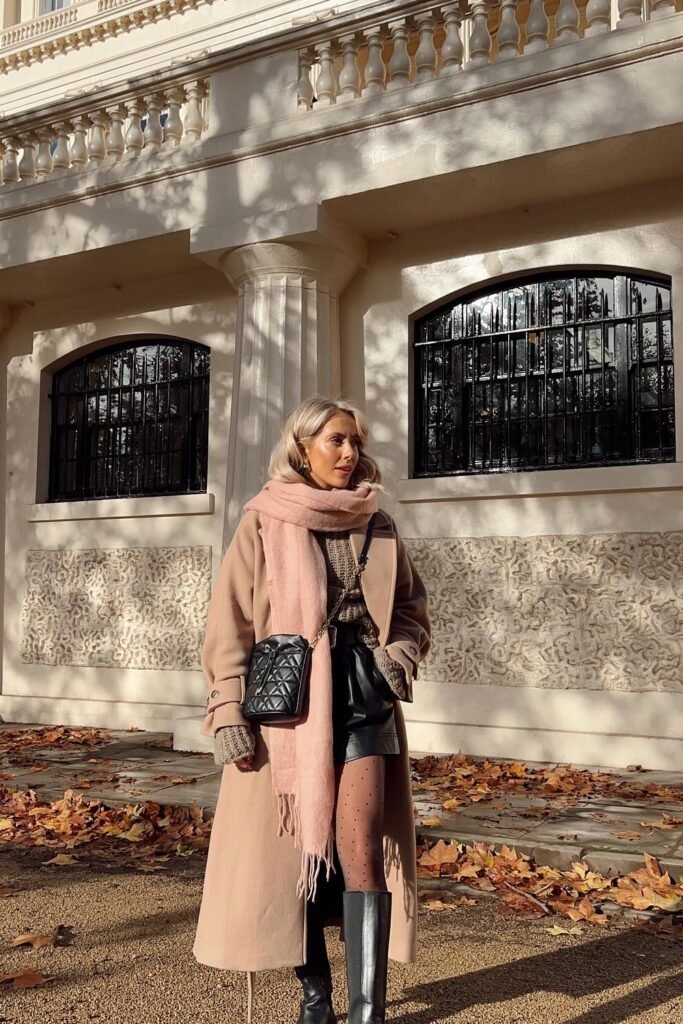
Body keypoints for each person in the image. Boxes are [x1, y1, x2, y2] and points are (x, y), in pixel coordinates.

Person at [193, 397, 431, 1024]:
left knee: (360, 849)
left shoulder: (377, 522)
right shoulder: (263, 522)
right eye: (335, 441)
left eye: (354, 441)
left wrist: (396, 657)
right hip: (288, 707)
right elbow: (231, 625)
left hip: (364, 696)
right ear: (303, 448)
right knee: (300, 852)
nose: (350, 454)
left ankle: (366, 1013)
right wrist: (227, 711)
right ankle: (316, 996)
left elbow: (410, 608)